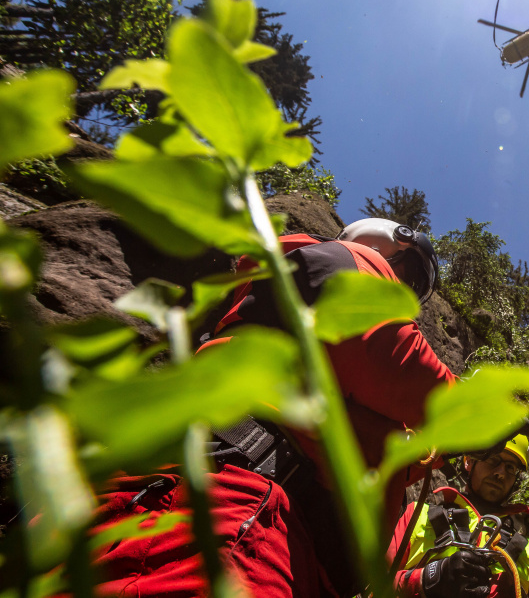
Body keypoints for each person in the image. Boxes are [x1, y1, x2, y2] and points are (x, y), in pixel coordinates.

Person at [89, 218, 457, 598]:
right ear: (382, 239)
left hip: (254, 517)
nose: (404, 292)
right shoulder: (345, 260)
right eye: (407, 271)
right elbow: (393, 358)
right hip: (243, 510)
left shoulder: (296, 298)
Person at [387, 435, 529, 598]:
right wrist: (430, 579)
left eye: (510, 468)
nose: (500, 473)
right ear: (468, 461)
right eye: (493, 460)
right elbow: (367, 587)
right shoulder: (419, 516)